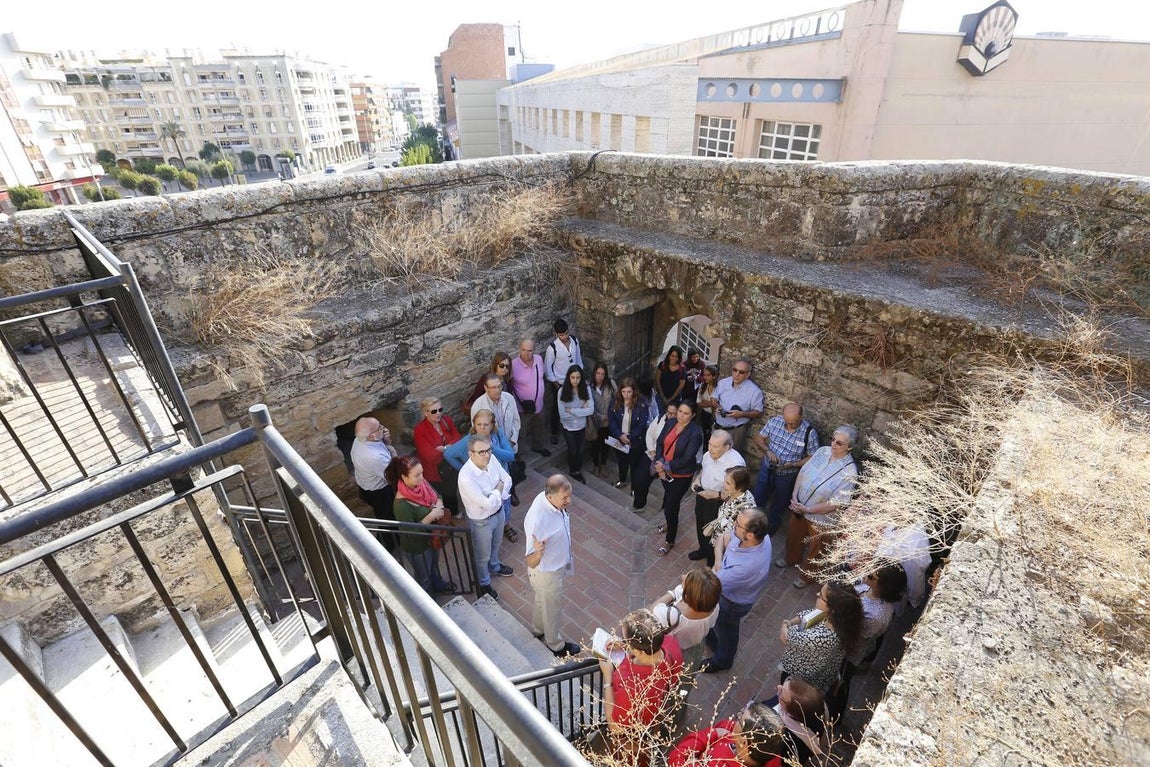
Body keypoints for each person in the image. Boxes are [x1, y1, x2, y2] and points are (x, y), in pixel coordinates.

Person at [598, 609, 685, 766]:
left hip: (633, 735)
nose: (624, 641)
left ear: (638, 651)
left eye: (626, 639)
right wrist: (626, 646)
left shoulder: (632, 688)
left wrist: (608, 676)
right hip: (651, 718)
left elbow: (615, 728)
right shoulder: (670, 643)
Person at [779, 425, 860, 588]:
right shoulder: (822, 451)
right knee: (794, 534)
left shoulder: (850, 472)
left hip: (821, 517)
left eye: (839, 443)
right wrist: (795, 496)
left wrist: (808, 509)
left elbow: (836, 503)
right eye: (833, 439)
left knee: (817, 548)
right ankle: (791, 558)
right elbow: (803, 472)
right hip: (799, 505)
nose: (833, 444)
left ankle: (807, 576)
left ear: (849, 447)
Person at [701, 508, 773, 673]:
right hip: (725, 590)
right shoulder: (761, 538)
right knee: (718, 625)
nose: (734, 524)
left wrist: (714, 570)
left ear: (750, 535)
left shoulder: (745, 567)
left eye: (738, 524)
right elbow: (722, 538)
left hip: (731, 603)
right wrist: (718, 561)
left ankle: (723, 660)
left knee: (727, 632)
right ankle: (712, 642)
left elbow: (711, 583)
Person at [523, 474, 581, 657]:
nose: (569, 500)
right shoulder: (538, 520)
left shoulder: (548, 499)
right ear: (551, 497)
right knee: (552, 608)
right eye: (565, 498)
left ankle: (538, 630)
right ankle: (555, 645)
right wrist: (539, 552)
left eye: (569, 495)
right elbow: (530, 562)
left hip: (556, 566)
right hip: (547, 573)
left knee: (543, 601)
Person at [444, 409, 519, 541]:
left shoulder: (497, 434)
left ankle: (506, 525)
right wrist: (463, 469)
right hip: (485, 482)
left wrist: (492, 449)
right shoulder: (469, 441)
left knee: (505, 503)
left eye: (486, 424)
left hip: (501, 476)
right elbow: (448, 454)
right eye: (478, 424)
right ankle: (493, 532)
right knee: (491, 506)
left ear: (492, 425)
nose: (482, 428)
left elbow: (510, 456)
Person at [386, 455, 455, 594]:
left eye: (422, 473)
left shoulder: (421, 484)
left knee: (434, 566)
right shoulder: (401, 505)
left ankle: (439, 586)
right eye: (417, 475)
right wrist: (431, 516)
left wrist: (439, 506)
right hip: (417, 548)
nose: (422, 477)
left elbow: (438, 495)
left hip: (432, 538)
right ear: (404, 477)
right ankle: (429, 602)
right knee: (424, 577)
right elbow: (410, 532)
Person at [778, 581, 863, 692]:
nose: (817, 595)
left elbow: (786, 636)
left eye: (821, 596)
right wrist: (790, 623)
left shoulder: (814, 638)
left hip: (799, 676)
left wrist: (786, 623)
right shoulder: (842, 620)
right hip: (823, 671)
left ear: (832, 609)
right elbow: (810, 613)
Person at [457, 436, 514, 599]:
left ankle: (495, 567)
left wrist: (497, 494)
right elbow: (486, 504)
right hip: (481, 521)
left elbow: (507, 479)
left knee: (496, 544)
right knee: (482, 555)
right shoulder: (466, 477)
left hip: (499, 512)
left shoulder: (492, 459)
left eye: (488, 450)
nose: (487, 455)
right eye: (481, 452)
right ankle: (483, 583)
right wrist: (498, 491)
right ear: (471, 454)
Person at [752, 403, 819, 537]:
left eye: (793, 423)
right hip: (768, 467)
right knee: (758, 496)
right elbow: (759, 438)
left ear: (801, 417)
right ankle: (753, 522)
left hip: (787, 475)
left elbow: (813, 457)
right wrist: (768, 451)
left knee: (780, 502)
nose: (789, 425)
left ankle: (770, 528)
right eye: (786, 421)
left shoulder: (809, 433)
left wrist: (794, 464)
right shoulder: (774, 422)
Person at [688, 430, 746, 566]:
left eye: (715, 446)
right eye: (709, 444)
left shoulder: (736, 464)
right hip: (703, 495)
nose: (710, 448)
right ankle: (703, 550)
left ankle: (712, 560)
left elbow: (738, 491)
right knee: (701, 524)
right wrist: (697, 479)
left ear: (727, 447)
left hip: (720, 502)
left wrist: (717, 495)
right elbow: (704, 469)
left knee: (715, 532)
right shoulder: (709, 454)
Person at [654, 400, 704, 556]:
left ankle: (670, 540)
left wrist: (665, 467)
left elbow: (687, 459)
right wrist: (659, 460)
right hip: (663, 470)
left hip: (681, 475)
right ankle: (670, 523)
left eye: (686, 413)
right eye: (680, 411)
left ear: (693, 415)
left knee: (670, 505)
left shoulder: (695, 433)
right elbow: (660, 443)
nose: (681, 416)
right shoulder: (672, 421)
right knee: (670, 502)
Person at [668, 702, 787, 767]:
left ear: (744, 742)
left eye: (739, 719)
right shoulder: (770, 749)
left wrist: (712, 734)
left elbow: (676, 759)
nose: (736, 718)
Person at [649, 567, 722, 671]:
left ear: (689, 595)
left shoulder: (672, 615)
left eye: (686, 579)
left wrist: (672, 593)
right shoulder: (714, 606)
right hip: (692, 645)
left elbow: (651, 611)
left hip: (671, 651)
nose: (682, 577)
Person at [350, 416, 399, 552]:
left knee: (385, 516)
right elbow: (394, 474)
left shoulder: (360, 439)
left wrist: (385, 439)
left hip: (367, 486)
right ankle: (384, 550)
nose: (383, 428)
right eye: (379, 428)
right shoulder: (374, 456)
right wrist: (390, 445)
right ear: (371, 436)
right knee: (387, 520)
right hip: (378, 492)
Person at [412, 397, 463, 515]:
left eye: (440, 409)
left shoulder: (446, 420)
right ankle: (453, 514)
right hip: (435, 470)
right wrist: (450, 448)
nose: (438, 413)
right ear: (425, 413)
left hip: (450, 463)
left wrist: (443, 449)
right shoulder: (420, 430)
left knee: (452, 488)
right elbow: (430, 456)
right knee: (446, 492)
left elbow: (458, 438)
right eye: (434, 411)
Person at [608, 377, 652, 509]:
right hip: (619, 440)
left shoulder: (642, 404)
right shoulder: (615, 402)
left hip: (634, 442)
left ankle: (634, 487)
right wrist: (619, 435)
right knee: (621, 461)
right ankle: (622, 480)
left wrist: (630, 437)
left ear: (634, 391)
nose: (626, 395)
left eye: (629, 392)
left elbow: (641, 425)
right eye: (623, 392)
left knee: (634, 465)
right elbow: (611, 421)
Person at [767, 677, 832, 766]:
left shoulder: (786, 742)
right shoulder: (818, 708)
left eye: (781, 694)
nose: (778, 687)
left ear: (792, 714)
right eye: (788, 681)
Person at [544, 318, 582, 447]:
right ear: (556, 334)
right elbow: (548, 368)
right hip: (559, 383)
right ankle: (555, 433)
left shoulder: (575, 341)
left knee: (575, 404)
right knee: (557, 408)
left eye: (566, 333)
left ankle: (574, 429)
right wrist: (556, 384)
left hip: (575, 380)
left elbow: (578, 360)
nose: (565, 337)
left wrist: (580, 376)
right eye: (561, 335)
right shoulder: (552, 348)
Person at [712, 358, 764, 453]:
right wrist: (717, 407)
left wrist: (741, 414)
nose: (736, 374)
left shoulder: (755, 392)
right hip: (718, 427)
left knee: (731, 458)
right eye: (735, 370)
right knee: (713, 452)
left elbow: (759, 412)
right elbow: (714, 398)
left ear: (748, 375)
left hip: (735, 431)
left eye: (741, 372)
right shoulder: (723, 383)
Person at [711, 466, 758, 565]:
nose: (723, 485)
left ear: (739, 487)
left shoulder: (746, 510)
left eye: (728, 483)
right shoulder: (733, 492)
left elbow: (740, 537)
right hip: (718, 540)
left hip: (726, 549)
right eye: (725, 481)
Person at [511, 338, 550, 456]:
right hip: (523, 408)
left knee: (539, 427)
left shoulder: (538, 359)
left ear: (534, 350)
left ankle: (538, 447)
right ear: (519, 348)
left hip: (539, 404)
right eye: (523, 350)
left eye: (529, 350)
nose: (526, 353)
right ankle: (519, 454)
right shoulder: (513, 365)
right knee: (521, 431)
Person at [558, 364, 595, 484]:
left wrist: (572, 410)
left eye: (578, 377)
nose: (575, 380)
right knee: (572, 450)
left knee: (580, 451)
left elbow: (590, 410)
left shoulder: (586, 389)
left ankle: (577, 471)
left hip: (581, 426)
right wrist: (581, 409)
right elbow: (563, 414)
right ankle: (572, 471)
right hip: (568, 427)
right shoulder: (561, 391)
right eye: (573, 377)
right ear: (569, 377)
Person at [470, 374, 522, 455]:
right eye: (493, 387)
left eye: (499, 386)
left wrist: (512, 441)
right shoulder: (478, 406)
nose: (497, 390)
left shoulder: (509, 398)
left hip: (510, 444)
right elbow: (478, 431)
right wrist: (494, 447)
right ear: (486, 388)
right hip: (493, 449)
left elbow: (516, 421)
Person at [464, 352, 515, 417]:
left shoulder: (508, 380)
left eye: (507, 366)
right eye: (501, 365)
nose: (504, 368)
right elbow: (477, 396)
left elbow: (510, 396)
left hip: (504, 413)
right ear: (496, 365)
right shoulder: (486, 379)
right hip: (489, 414)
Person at [588, 362, 617, 477]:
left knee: (605, 443)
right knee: (594, 443)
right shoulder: (589, 386)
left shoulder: (610, 384)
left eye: (602, 374)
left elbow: (617, 399)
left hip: (608, 421)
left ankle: (603, 464)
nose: (599, 376)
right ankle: (596, 464)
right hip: (595, 421)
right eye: (597, 373)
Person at [655, 345, 687, 410]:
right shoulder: (662, 365)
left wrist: (671, 399)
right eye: (672, 356)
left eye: (676, 357)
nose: (674, 359)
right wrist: (662, 396)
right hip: (661, 396)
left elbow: (681, 385)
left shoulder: (682, 368)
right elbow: (657, 380)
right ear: (669, 355)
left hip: (675, 399)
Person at [696, 364, 720, 441]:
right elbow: (699, 402)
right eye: (704, 375)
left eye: (708, 375)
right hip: (705, 415)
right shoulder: (702, 386)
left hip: (716, 416)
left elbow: (718, 404)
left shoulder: (719, 387)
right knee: (706, 437)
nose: (705, 377)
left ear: (714, 376)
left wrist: (706, 402)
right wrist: (712, 403)